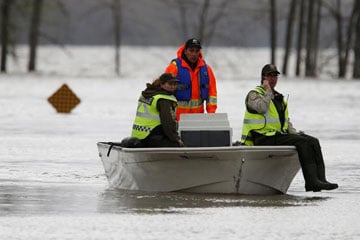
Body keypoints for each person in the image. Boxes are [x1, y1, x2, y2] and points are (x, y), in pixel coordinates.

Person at [240, 64, 338, 192]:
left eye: (275, 76)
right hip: (261, 137)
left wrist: (295, 134)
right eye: (270, 76)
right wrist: (268, 90)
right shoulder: (254, 94)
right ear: (263, 77)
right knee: (302, 143)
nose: (273, 79)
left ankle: (321, 180)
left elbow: (285, 123)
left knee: (313, 141)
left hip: (276, 135)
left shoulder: (279, 98)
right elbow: (262, 108)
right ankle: (311, 182)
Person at [165, 38, 217, 121]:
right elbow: (164, 92)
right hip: (177, 118)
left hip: (198, 118)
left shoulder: (206, 69)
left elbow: (212, 94)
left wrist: (211, 114)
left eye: (197, 51)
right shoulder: (174, 67)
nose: (194, 54)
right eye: (191, 50)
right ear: (185, 51)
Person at [130, 73, 184, 147]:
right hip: (151, 136)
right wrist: (176, 139)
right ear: (162, 84)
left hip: (137, 135)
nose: (173, 86)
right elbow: (168, 122)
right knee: (176, 145)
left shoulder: (148, 94)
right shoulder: (163, 99)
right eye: (170, 84)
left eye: (175, 84)